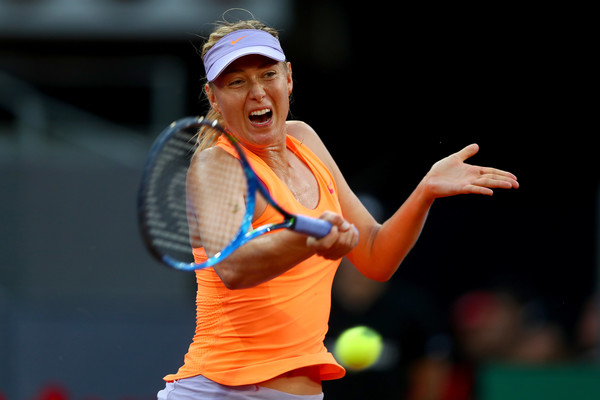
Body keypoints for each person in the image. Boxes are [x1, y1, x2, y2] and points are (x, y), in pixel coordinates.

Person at [156, 18, 519, 400]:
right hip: (220, 391)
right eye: (237, 82)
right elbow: (233, 266)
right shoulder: (217, 164)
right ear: (214, 97)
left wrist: (424, 191)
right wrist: (310, 241)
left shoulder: (305, 139)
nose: (257, 92)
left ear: (289, 79)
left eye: (268, 75)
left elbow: (376, 256)